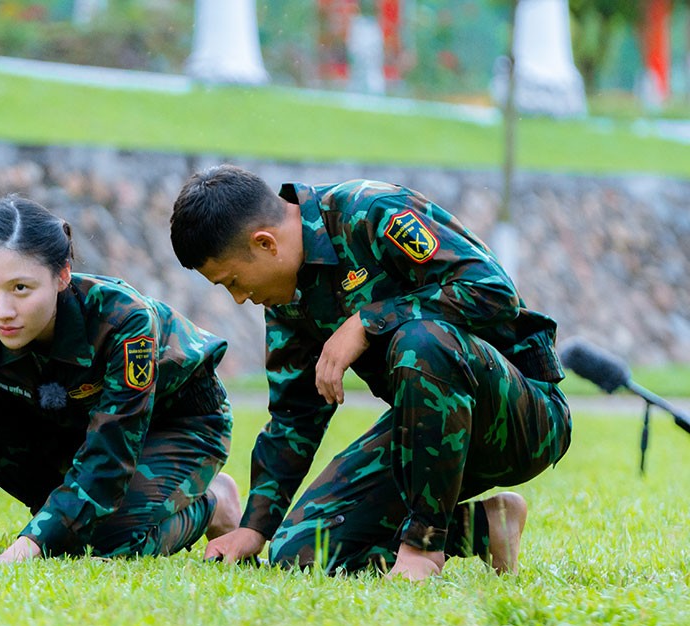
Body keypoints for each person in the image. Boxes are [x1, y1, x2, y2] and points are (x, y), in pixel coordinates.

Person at [169, 165, 572, 580]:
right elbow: (295, 415)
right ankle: (487, 528)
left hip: (522, 416)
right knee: (303, 551)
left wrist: (367, 322)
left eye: (234, 281)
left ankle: (423, 547)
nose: (239, 299)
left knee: (422, 341)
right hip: (427, 437)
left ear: (265, 243)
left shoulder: (372, 212)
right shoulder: (289, 295)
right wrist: (254, 529)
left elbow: (493, 292)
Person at [0, 195, 240, 564]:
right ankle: (63, 515)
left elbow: (110, 455)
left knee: (104, 541)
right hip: (72, 419)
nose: (1, 311)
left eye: (21, 288)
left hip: (174, 422)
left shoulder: (124, 321)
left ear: (62, 274)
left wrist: (18, 554)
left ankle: (214, 501)